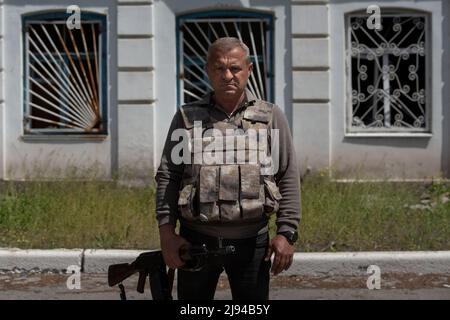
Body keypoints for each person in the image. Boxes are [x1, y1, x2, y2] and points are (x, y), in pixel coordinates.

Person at [155, 37, 301, 300]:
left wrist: (286, 232)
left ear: (249, 70)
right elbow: (169, 175)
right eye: (219, 68)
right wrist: (167, 234)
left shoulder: (270, 117)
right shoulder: (187, 118)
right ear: (208, 71)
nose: (227, 75)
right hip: (195, 242)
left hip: (253, 244)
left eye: (235, 68)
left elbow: (287, 174)